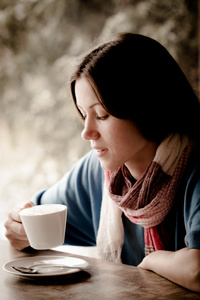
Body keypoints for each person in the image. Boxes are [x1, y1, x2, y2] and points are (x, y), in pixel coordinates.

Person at [4, 33, 200, 292]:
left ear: (146, 106)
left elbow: (197, 271)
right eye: (84, 115)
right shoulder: (98, 173)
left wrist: (153, 259)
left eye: (102, 115)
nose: (87, 132)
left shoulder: (195, 166)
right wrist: (20, 228)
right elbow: (33, 217)